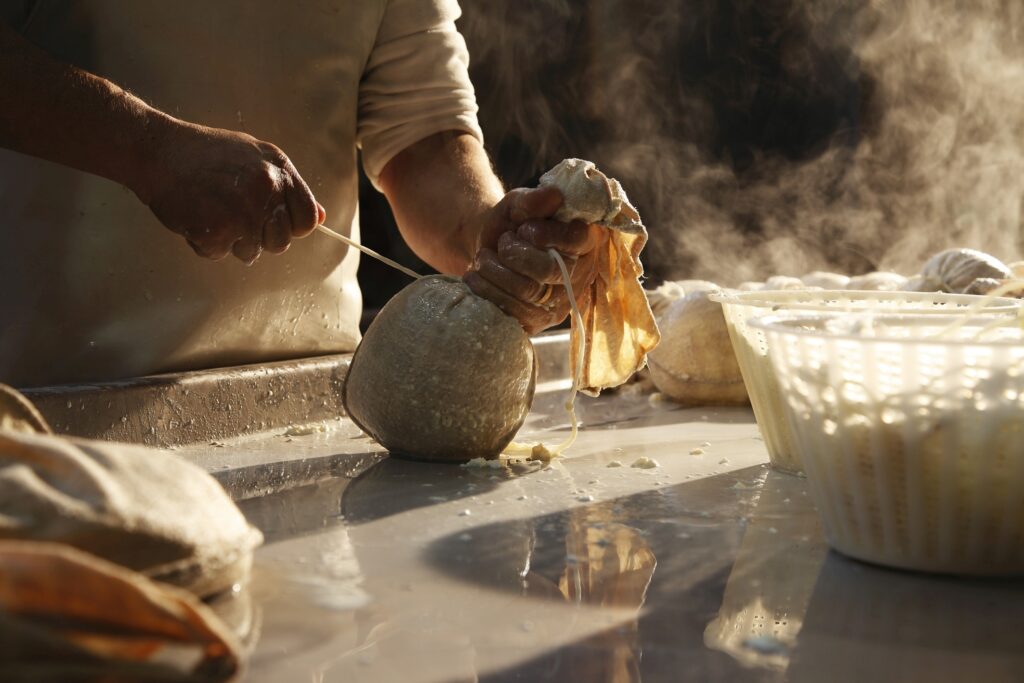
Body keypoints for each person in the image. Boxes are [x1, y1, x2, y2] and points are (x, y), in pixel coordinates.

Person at [0, 0, 606, 388]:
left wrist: (488, 237)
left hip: (315, 398)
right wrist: (148, 151)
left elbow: (424, 136)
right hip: (46, 407)